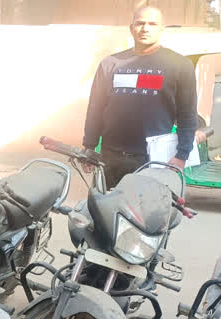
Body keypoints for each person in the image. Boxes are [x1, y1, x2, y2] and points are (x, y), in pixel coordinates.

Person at [83, 6, 198, 188]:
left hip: (153, 160)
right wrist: (89, 147)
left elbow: (187, 114)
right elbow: (95, 109)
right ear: (131, 28)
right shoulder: (110, 64)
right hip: (111, 158)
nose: (145, 29)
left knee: (145, 214)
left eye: (152, 24)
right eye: (140, 23)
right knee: (104, 211)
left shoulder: (180, 65)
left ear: (162, 29)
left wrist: (182, 155)